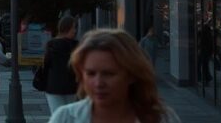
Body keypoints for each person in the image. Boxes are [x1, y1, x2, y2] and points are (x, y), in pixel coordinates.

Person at [48, 29, 180, 123]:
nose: (98, 83)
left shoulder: (161, 118)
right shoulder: (66, 117)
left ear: (131, 75)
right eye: (91, 73)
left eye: (108, 74)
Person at [41, 16, 79, 113]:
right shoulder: (76, 45)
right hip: (71, 87)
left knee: (58, 116)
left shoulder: (51, 45)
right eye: (73, 28)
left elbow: (46, 65)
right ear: (66, 28)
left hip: (54, 86)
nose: (75, 31)